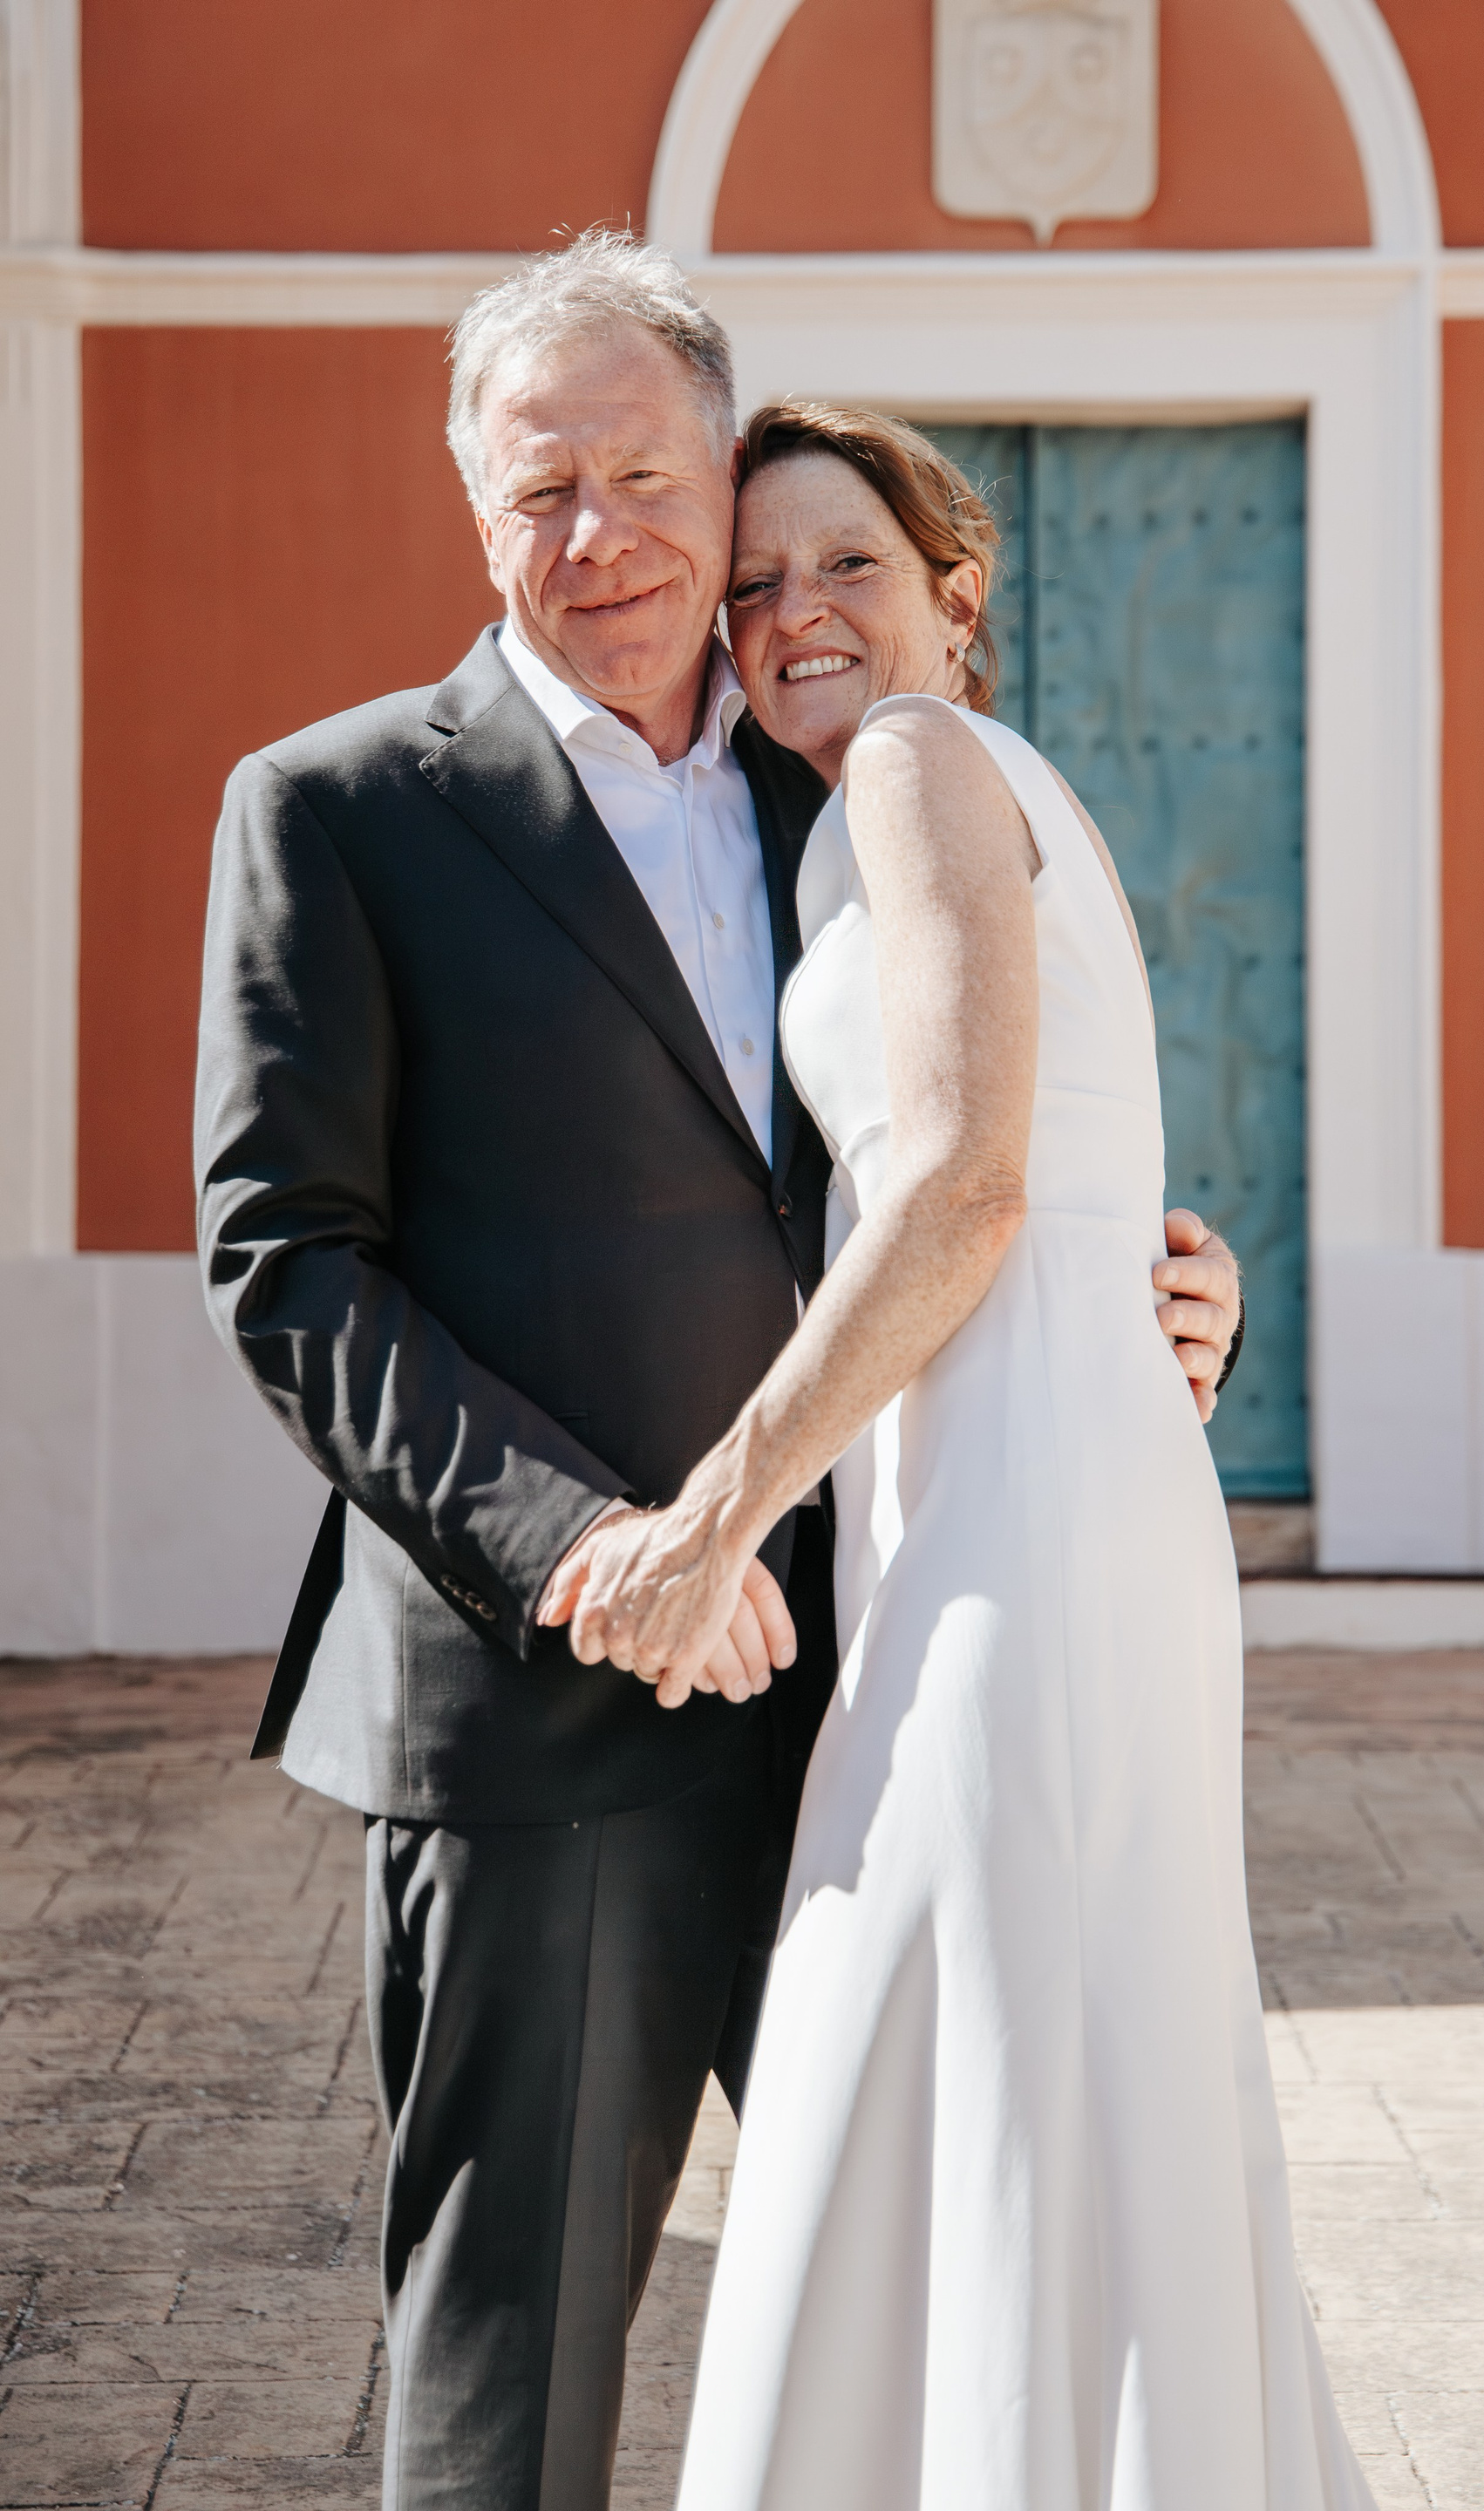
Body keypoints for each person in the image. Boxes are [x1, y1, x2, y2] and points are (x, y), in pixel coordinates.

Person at [194, 236, 1243, 2510]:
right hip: (542, 1717)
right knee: (521, 2375)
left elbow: (971, 1151)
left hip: (879, 1690)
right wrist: (588, 1548)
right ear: (475, 507)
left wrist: (1164, 1293)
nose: (604, 535)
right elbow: (288, 1266)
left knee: (947, 2302)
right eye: (541, 486)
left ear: (720, 463)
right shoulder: (339, 810)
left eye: (648, 476)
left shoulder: (842, 779)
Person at [550, 405, 1372, 2510]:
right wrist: (1167, 1301)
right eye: (755, 584)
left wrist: (714, 1516)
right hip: (1010, 1492)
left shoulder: (921, 760)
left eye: (846, 563)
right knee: (1033, 2057)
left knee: (998, 2047)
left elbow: (969, 1190)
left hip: (1029, 1520)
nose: (790, 611)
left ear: (957, 595)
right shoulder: (908, 799)